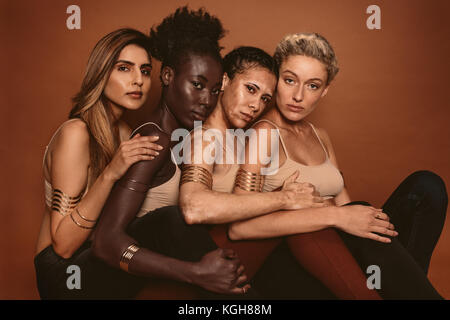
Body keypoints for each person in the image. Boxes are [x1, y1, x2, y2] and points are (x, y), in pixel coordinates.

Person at [228, 33, 447, 299]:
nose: (298, 96)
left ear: (325, 90)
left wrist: (352, 218)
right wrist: (339, 216)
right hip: (293, 260)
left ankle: (403, 287)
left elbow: (347, 210)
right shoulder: (264, 134)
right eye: (289, 80)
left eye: (312, 86)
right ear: (277, 80)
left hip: (336, 253)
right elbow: (239, 227)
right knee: (355, 213)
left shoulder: (320, 136)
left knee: (427, 186)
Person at [178, 46, 380, 299]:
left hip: (260, 257)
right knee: (306, 218)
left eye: (264, 98)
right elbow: (194, 208)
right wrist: (284, 199)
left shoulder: (243, 138)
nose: (255, 105)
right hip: (216, 260)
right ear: (226, 80)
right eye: (250, 89)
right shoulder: (205, 138)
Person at [90, 7, 250, 298]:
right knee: (173, 219)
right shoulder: (154, 138)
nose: (206, 100)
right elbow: (104, 241)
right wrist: (194, 274)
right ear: (167, 75)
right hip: (102, 281)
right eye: (197, 85)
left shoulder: (187, 138)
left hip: (153, 274)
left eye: (215, 90)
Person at [34, 28, 163, 299]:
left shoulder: (127, 134)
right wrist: (110, 174)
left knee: (169, 227)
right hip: (63, 272)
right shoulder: (76, 133)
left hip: (102, 255)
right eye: (124, 68)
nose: (138, 80)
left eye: (145, 71)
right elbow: (63, 246)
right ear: (101, 72)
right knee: (167, 225)